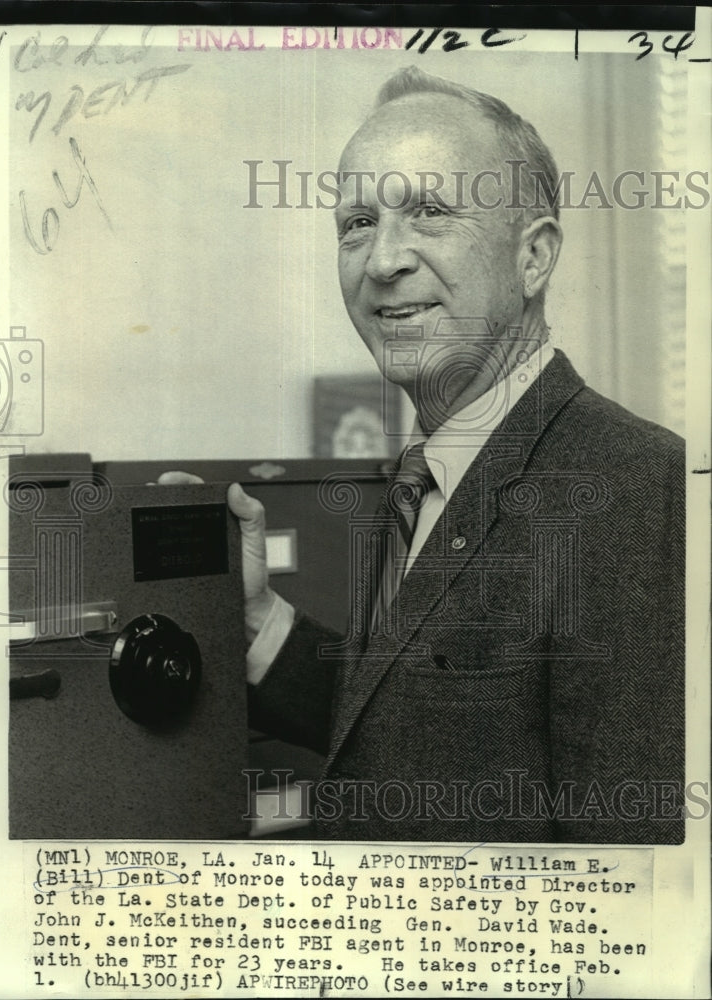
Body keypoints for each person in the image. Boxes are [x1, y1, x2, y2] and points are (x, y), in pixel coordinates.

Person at [215, 67, 684, 843]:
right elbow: (410, 727)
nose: (381, 262)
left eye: (429, 211)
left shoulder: (637, 488)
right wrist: (257, 617)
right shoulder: (425, 475)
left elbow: (630, 888)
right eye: (356, 223)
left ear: (533, 258)